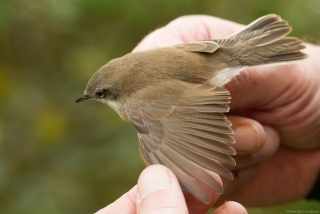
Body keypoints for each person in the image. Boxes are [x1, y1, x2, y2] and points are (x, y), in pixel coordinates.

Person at [95, 15, 320, 213]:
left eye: (98, 94)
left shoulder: (136, 102)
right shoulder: (136, 66)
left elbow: (165, 136)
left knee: (155, 148)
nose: (96, 98)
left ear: (112, 92)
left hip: (215, 67)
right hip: (213, 49)